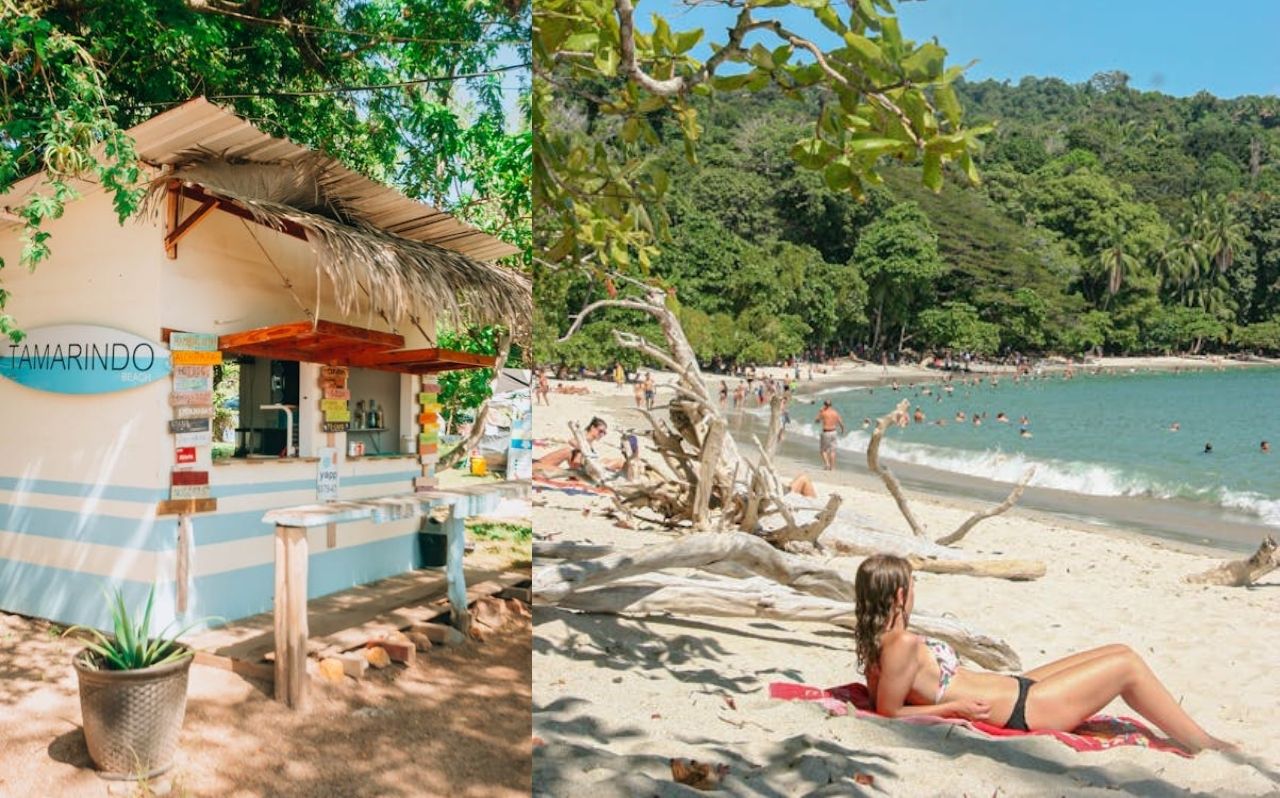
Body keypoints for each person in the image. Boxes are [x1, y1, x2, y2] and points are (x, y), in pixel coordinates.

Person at [853, 555, 1235, 754]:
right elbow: (888, 712)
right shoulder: (898, 644)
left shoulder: (884, 642)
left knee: (1118, 650)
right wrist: (954, 711)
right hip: (1023, 712)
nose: (916, 591)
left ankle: (1199, 738)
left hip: (1019, 690)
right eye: (913, 585)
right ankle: (1203, 743)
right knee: (1127, 665)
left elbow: (885, 696)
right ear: (900, 595)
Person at [533, 416, 624, 477]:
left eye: (604, 433)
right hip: (582, 470)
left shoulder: (587, 441)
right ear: (592, 427)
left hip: (583, 468)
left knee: (612, 461)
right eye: (601, 431)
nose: (602, 434)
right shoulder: (584, 438)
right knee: (565, 452)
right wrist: (583, 451)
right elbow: (572, 442)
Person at [814, 399, 845, 471]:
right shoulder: (835, 413)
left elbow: (816, 421)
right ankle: (832, 467)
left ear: (824, 405)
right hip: (834, 432)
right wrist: (842, 430)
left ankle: (827, 464)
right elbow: (841, 423)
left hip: (826, 432)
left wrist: (820, 411)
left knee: (823, 450)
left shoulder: (823, 413)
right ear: (831, 405)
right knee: (832, 451)